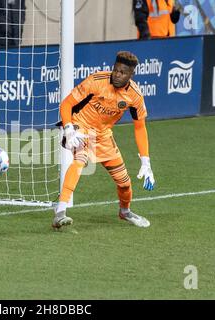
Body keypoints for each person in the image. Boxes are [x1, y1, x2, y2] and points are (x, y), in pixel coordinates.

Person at [53, 51, 155, 230]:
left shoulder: (135, 96)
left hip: (103, 135)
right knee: (80, 160)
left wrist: (146, 162)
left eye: (123, 73)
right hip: (80, 127)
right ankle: (60, 212)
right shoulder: (96, 80)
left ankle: (125, 211)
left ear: (131, 75)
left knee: (124, 183)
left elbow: (140, 127)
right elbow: (66, 104)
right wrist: (68, 128)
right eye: (115, 70)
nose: (117, 75)